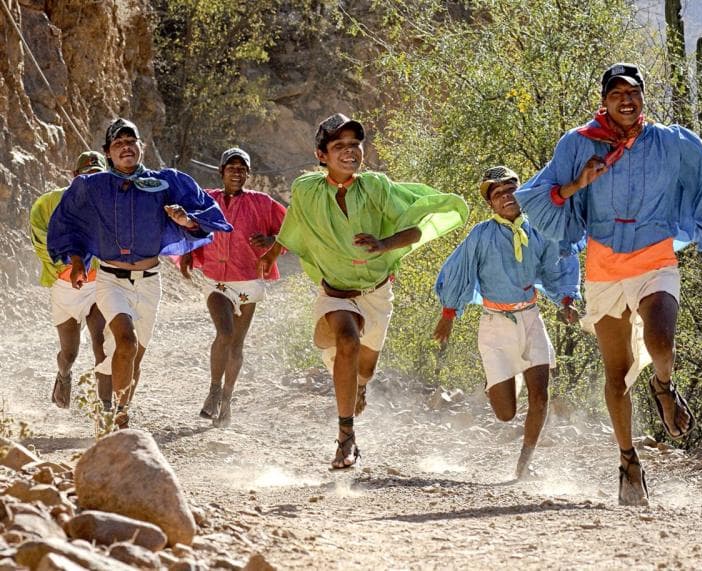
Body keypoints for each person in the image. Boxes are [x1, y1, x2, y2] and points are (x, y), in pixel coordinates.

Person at [516, 63, 702, 505]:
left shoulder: (671, 142)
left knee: (661, 340)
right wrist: (579, 182)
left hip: (654, 256)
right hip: (603, 266)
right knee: (615, 376)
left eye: (633, 92)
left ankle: (662, 384)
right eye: (616, 92)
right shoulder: (577, 144)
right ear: (604, 101)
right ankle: (628, 461)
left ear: (642, 98)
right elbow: (541, 195)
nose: (626, 99)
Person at [260, 113, 468, 468]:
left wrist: (384, 244)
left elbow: (416, 230)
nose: (349, 151)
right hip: (335, 293)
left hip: (376, 293)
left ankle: (357, 385)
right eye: (338, 145)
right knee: (347, 341)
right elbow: (294, 226)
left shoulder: (376, 187)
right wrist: (273, 252)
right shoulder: (306, 190)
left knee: (365, 370)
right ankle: (345, 437)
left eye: (354, 144)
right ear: (321, 154)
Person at [47, 118, 232, 428]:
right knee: (126, 342)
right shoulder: (93, 187)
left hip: (149, 282)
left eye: (131, 141)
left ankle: (116, 406)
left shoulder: (167, 183)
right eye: (118, 143)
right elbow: (68, 223)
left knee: (134, 359)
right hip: (110, 280)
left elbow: (207, 214)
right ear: (107, 152)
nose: (126, 147)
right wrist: (77, 260)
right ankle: (117, 417)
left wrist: (186, 220)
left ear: (141, 147)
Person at [433, 166, 580, 479]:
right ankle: (499, 381)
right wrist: (449, 314)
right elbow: (459, 271)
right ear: (491, 204)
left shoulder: (539, 230)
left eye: (511, 189)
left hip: (530, 317)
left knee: (540, 396)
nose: (506, 197)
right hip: (495, 324)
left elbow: (556, 267)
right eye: (497, 194)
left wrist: (566, 300)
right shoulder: (481, 235)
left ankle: (523, 467)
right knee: (505, 413)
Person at [180, 147, 286, 428]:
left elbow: (292, 229)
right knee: (224, 333)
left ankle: (227, 399)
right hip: (216, 279)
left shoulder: (262, 203)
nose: (237, 173)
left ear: (248, 174)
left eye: (242, 169)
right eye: (232, 168)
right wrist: (188, 253)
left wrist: (272, 240)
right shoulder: (207, 199)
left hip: (248, 280)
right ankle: (214, 390)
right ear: (221, 172)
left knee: (237, 344)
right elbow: (190, 226)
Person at [30, 151, 113, 411]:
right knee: (70, 353)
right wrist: (64, 264)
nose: (91, 180)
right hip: (65, 287)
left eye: (97, 175)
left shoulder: (112, 203)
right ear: (75, 177)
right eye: (86, 175)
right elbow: (39, 235)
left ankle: (106, 410)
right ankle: (63, 375)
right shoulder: (50, 202)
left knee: (101, 342)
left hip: (98, 284)